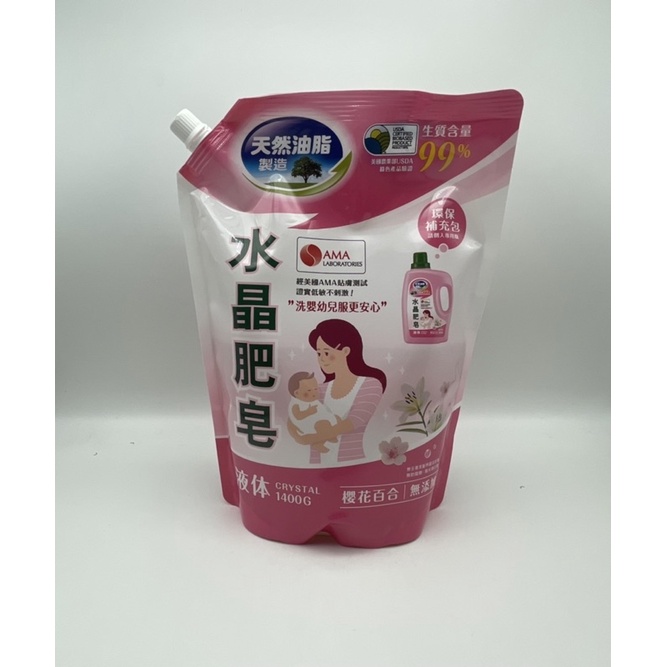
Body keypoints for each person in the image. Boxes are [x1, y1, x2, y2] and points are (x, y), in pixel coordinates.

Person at [287, 319, 386, 464]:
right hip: (315, 466)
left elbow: (352, 423)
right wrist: (297, 436)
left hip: (352, 464)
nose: (322, 359)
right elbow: (293, 418)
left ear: (345, 351)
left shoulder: (370, 386)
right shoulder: (319, 389)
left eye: (326, 353)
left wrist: (306, 438)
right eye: (319, 354)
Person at [287, 371, 338, 459]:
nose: (314, 393)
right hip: (309, 425)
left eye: (316, 389)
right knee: (322, 425)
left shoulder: (310, 400)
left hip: (320, 420)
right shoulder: (296, 404)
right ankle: (318, 443)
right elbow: (298, 416)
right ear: (297, 393)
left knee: (333, 420)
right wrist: (308, 412)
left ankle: (330, 435)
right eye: (309, 390)